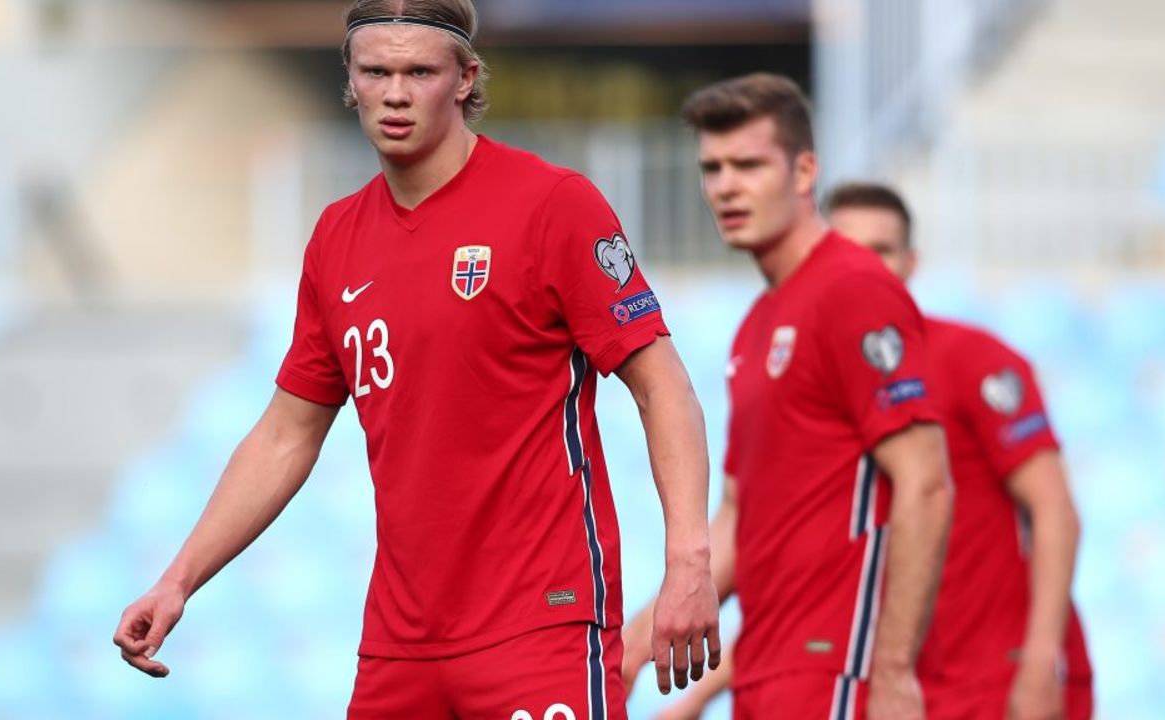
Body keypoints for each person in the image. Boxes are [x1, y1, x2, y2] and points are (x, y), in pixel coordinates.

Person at [111, 1, 721, 717]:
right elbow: (286, 434)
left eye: (418, 71)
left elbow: (663, 387)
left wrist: (689, 560)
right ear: (351, 77)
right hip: (401, 646)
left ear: (464, 78)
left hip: (541, 623)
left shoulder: (553, 204)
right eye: (376, 71)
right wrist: (178, 579)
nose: (395, 93)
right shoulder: (337, 237)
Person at [650, 182, 1094, 720]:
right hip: (891, 683)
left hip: (995, 681)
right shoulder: (815, 388)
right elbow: (800, 595)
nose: (863, 266)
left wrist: (1042, 660)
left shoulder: (972, 359)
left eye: (881, 250)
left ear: (911, 262)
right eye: (847, 249)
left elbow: (1055, 511)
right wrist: (694, 696)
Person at [624, 74, 953, 720]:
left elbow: (926, 483)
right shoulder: (757, 325)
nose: (726, 186)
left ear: (804, 171)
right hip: (768, 670)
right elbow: (741, 521)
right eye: (712, 168)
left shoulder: (852, 289)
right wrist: (634, 647)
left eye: (748, 164)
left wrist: (889, 673)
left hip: (838, 665)